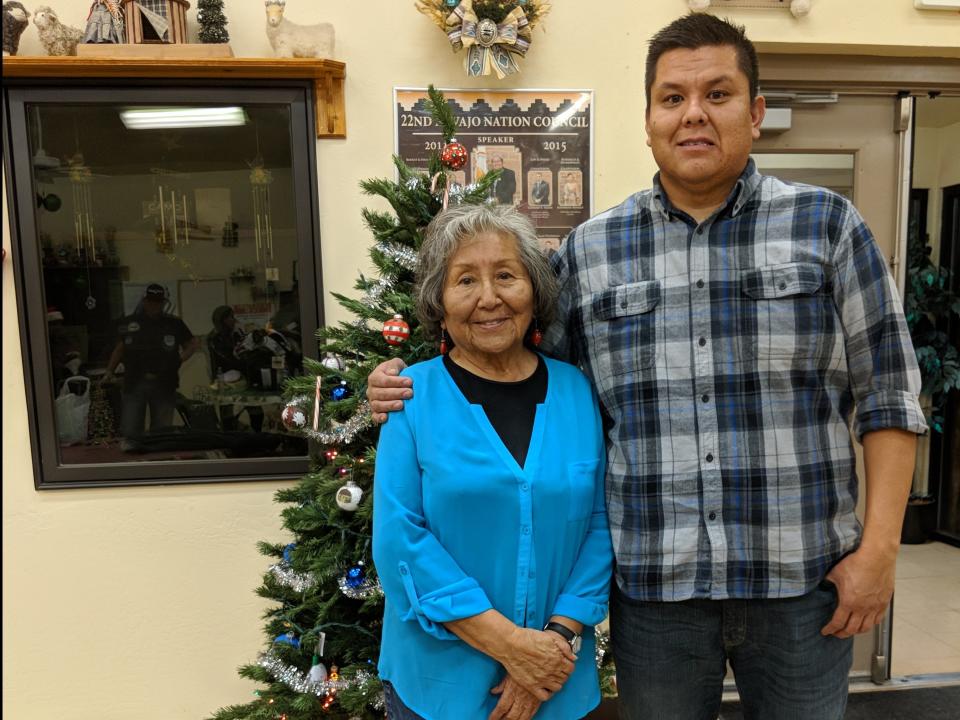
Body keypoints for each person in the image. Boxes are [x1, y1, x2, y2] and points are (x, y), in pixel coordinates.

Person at [367, 13, 927, 720]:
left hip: (800, 585)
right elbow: (522, 377)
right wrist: (401, 386)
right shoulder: (590, 252)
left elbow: (892, 396)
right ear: (649, 118)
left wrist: (879, 552)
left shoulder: (828, 227)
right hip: (656, 601)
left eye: (717, 94)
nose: (693, 114)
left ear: (755, 112)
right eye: (672, 98)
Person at [372, 204, 613, 720]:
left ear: (534, 290)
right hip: (438, 686)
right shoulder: (410, 396)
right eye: (465, 281)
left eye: (506, 275)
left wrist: (550, 644)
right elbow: (399, 539)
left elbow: (600, 524)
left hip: (557, 680)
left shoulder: (575, 389)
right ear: (439, 300)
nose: (489, 298)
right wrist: (511, 646)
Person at [103, 283, 198, 445]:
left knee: (161, 432)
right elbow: (120, 349)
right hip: (134, 382)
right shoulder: (129, 322)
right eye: (151, 301)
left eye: (158, 302)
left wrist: (179, 360)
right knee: (130, 430)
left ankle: (159, 464)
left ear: (163, 303)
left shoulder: (174, 323)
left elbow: (192, 344)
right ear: (145, 301)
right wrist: (109, 372)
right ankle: (133, 466)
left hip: (165, 383)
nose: (154, 305)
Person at [208, 305, 264, 432]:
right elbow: (226, 358)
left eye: (233, 317)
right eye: (230, 317)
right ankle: (230, 440)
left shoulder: (236, 334)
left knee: (256, 409)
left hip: (244, 377)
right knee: (226, 412)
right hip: (225, 380)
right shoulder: (214, 338)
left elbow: (247, 351)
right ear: (221, 320)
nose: (233, 320)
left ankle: (257, 438)